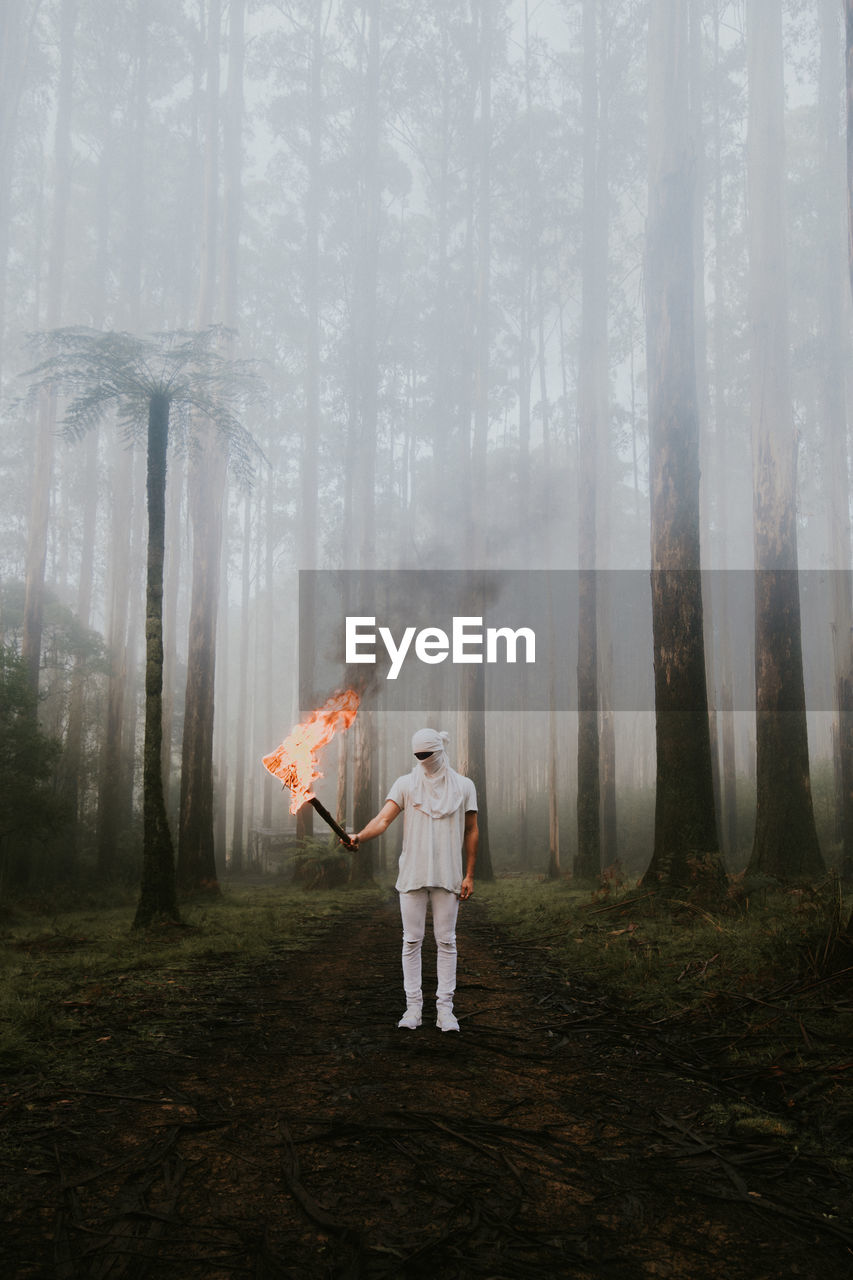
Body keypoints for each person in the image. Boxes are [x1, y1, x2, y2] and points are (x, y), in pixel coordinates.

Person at [346, 729, 478, 1032]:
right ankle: (413, 1008)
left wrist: (470, 873)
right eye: (417, 756)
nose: (422, 761)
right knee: (411, 940)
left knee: (446, 941)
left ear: (439, 751)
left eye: (426, 755)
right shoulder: (406, 784)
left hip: (448, 873)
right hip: (413, 873)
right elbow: (383, 819)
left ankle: (446, 1010)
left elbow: (472, 829)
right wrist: (359, 837)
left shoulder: (464, 786)